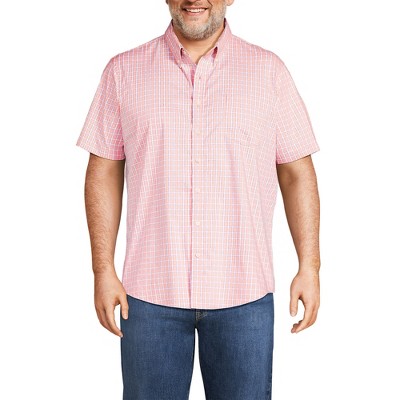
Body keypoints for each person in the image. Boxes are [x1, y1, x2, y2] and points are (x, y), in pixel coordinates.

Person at [76, 1, 321, 399]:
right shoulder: (123, 72)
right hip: (149, 297)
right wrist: (102, 269)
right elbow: (103, 171)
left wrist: (310, 266)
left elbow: (296, 172)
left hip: (244, 295)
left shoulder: (269, 73)